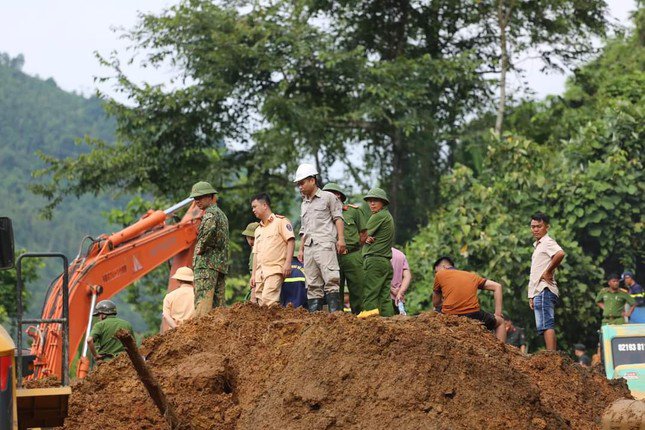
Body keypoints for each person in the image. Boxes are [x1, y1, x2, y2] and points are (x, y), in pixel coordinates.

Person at [294, 164, 346, 312]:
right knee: (312, 283)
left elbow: (338, 218)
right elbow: (304, 228)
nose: (300, 187)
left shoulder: (328, 197)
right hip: (309, 247)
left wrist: (341, 239)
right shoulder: (304, 203)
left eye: (302, 183)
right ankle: (315, 320)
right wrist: (301, 248)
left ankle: (335, 316)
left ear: (312, 180)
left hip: (325, 244)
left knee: (331, 279)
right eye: (298, 184)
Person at [433, 256, 506, 342]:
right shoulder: (471, 276)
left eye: (435, 271)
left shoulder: (440, 274)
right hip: (474, 316)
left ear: (443, 267)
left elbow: (436, 303)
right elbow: (497, 286)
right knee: (500, 322)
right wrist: (498, 313)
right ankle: (500, 352)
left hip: (449, 315)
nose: (435, 273)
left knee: (433, 313)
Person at [323, 182, 366, 314]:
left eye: (331, 194)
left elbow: (363, 234)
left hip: (352, 255)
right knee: (335, 289)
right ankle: (338, 319)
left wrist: (353, 247)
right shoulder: (324, 214)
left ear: (338, 196)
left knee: (358, 288)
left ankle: (360, 317)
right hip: (333, 256)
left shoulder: (353, 211)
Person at [190, 181, 230, 317]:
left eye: (200, 197)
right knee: (218, 308)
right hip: (219, 266)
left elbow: (206, 236)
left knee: (203, 306)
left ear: (210, 196)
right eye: (195, 199)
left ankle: (200, 335)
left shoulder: (210, 215)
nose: (197, 202)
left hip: (206, 266)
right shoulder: (222, 215)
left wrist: (199, 250)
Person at [528, 212, 565, 351]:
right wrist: (531, 295)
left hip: (544, 289)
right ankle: (552, 356)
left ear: (547, 227)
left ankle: (551, 357)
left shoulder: (547, 242)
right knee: (544, 325)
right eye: (533, 227)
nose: (535, 229)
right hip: (539, 290)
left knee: (547, 324)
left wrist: (548, 271)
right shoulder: (538, 245)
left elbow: (560, 253)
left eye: (539, 226)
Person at [251, 193, 295, 307]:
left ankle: (275, 325)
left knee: (268, 301)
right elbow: (255, 254)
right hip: (260, 273)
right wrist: (253, 275)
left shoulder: (281, 222)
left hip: (274, 269)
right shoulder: (258, 230)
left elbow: (290, 241)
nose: (253, 210)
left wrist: (288, 263)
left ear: (264, 205)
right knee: (261, 305)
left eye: (255, 206)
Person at [358, 188, 395, 319]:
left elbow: (362, 236)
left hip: (375, 261)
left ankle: (369, 324)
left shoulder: (378, 216)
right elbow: (366, 236)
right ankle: (389, 323)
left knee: (370, 294)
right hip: (385, 262)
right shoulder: (387, 216)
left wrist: (363, 238)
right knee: (384, 297)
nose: (371, 204)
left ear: (383, 203)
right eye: (369, 201)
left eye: (375, 201)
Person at [162, 267, 195, 332]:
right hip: (193, 331)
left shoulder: (170, 296)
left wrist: (176, 328)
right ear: (192, 280)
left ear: (178, 280)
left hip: (175, 335)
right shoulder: (198, 295)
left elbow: (166, 315)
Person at [390, 247, 412, 315]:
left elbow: (378, 277)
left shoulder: (378, 254)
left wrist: (391, 289)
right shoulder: (400, 254)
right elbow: (408, 276)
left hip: (383, 298)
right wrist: (400, 293)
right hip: (398, 299)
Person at [242, 222, 260, 302]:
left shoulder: (258, 252)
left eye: (253, 238)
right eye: (249, 238)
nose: (251, 241)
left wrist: (253, 297)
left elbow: (256, 275)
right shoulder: (253, 251)